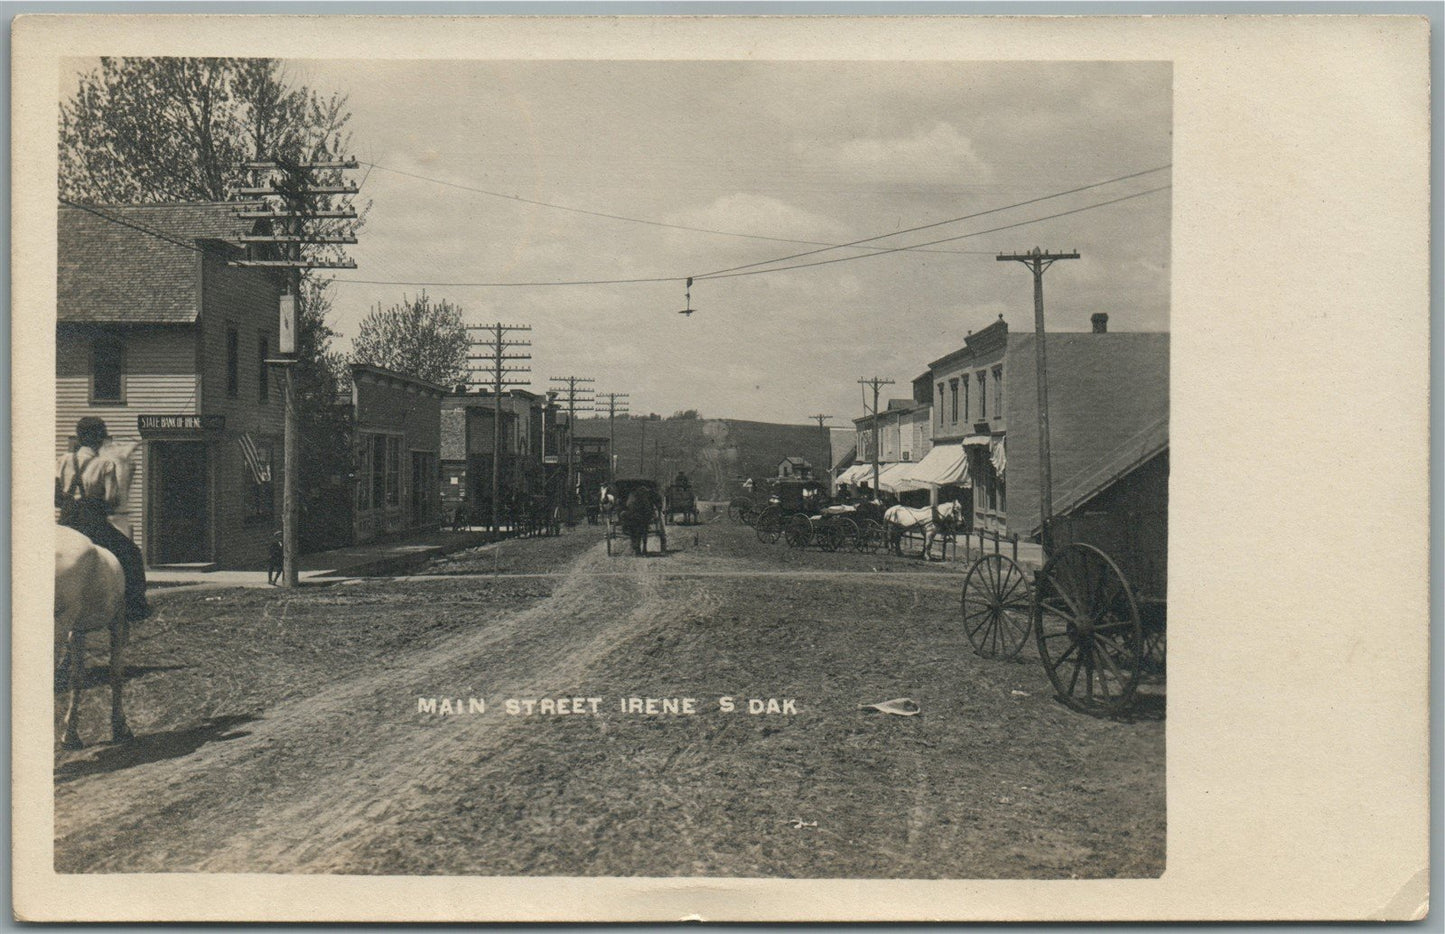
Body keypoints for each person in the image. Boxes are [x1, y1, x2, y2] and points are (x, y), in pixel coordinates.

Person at [55, 416, 149, 621]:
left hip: (67, 521)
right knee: (132, 554)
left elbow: (55, 495)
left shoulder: (63, 460)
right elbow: (111, 498)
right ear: (99, 439)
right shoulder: (105, 464)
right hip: (92, 523)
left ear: (80, 437)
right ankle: (135, 607)